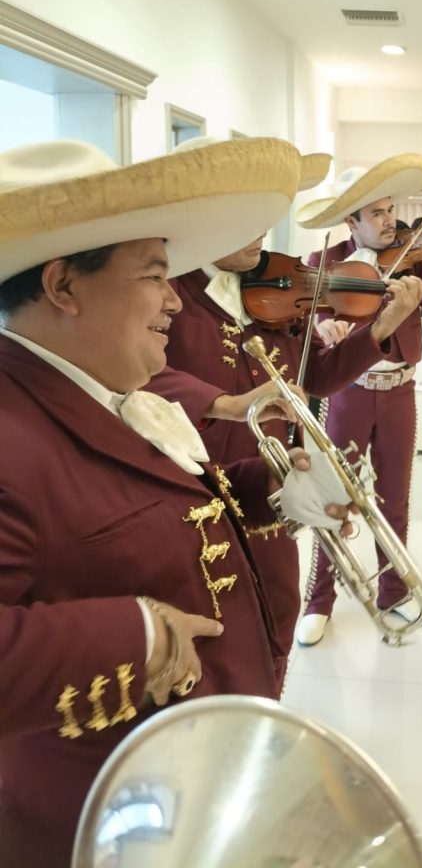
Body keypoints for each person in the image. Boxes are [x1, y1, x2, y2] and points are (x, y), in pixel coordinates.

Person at [0, 138, 356, 866]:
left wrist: (279, 493)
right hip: (99, 817)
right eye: (157, 275)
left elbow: (160, 518)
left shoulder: (111, 395)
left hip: (189, 789)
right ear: (65, 285)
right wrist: (139, 633)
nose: (174, 299)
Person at [148, 150, 422, 685]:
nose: (260, 236)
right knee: (206, 626)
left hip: (272, 480)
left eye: (263, 220)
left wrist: (381, 325)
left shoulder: (279, 281)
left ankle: (269, 703)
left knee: (276, 608)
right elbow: (133, 377)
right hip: (189, 487)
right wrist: (223, 403)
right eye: (241, 224)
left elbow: (316, 376)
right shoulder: (166, 289)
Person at [293, 155, 422, 646]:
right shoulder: (323, 263)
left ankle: (391, 592)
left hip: (399, 392)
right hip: (348, 394)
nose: (390, 222)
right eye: (377, 214)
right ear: (352, 222)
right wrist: (320, 328)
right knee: (332, 498)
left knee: (395, 499)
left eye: (390, 210)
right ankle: (319, 600)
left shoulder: (414, 261)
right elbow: (301, 324)